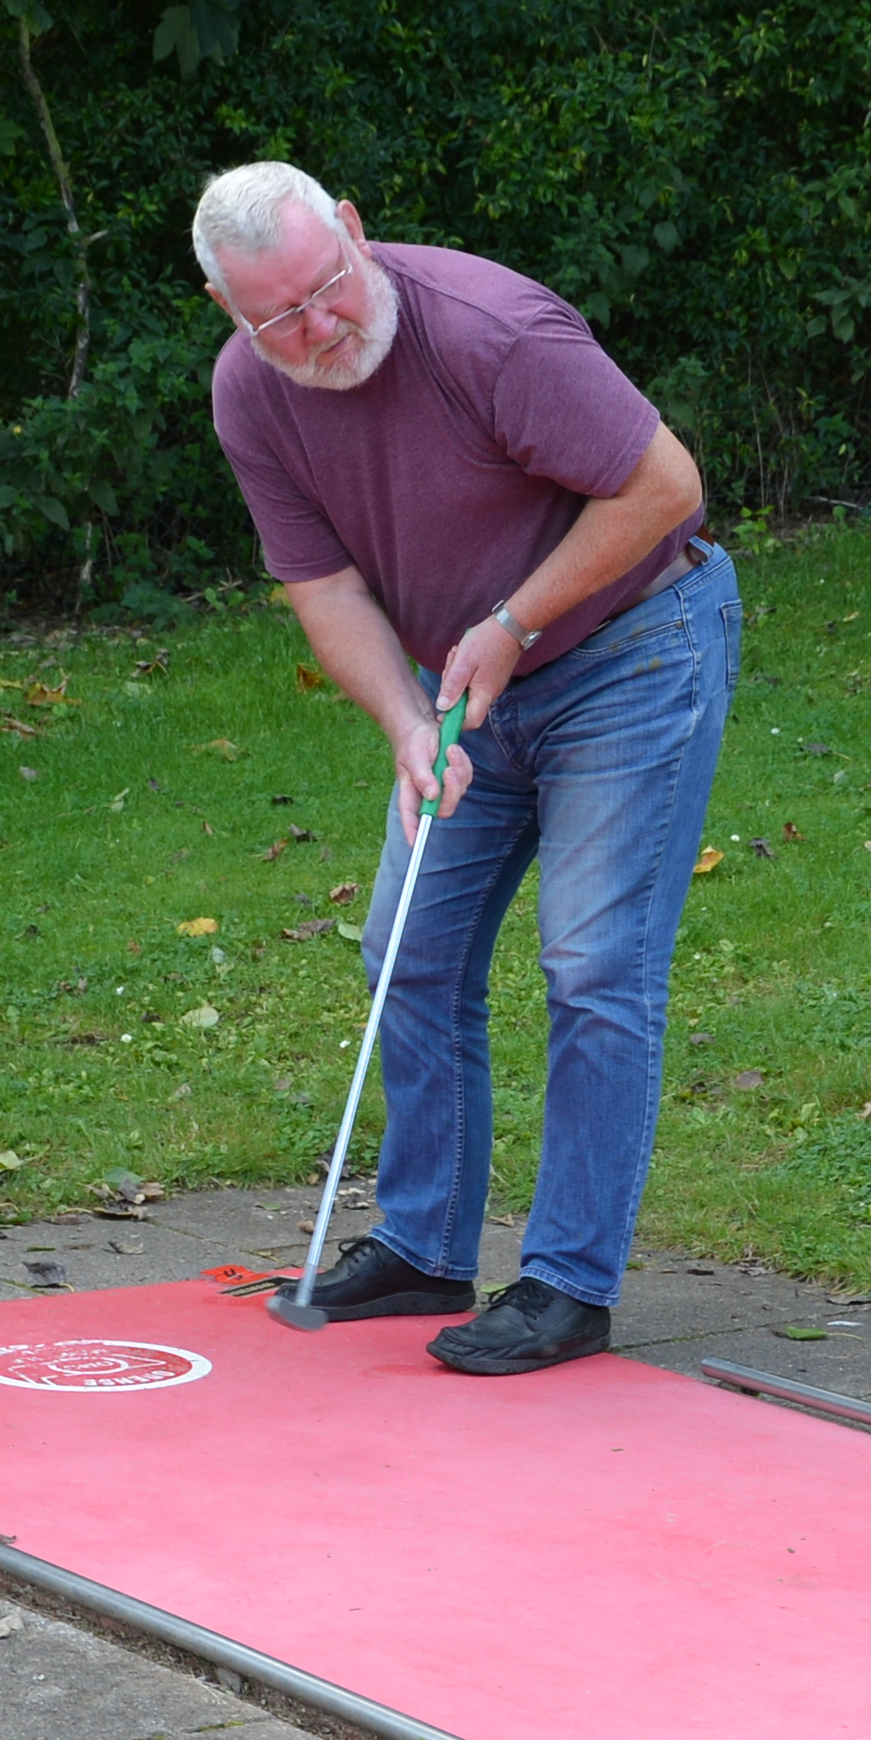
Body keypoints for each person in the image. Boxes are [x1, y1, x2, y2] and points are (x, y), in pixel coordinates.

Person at [194, 162, 737, 1376]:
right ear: (232, 311)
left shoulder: (490, 331)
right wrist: (403, 721)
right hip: (465, 686)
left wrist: (514, 621)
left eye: (327, 289)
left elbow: (667, 486)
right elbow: (324, 585)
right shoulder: (252, 394)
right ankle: (424, 1245)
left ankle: (567, 1283)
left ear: (353, 230)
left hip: (631, 646)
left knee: (592, 963)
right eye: (280, 318)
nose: (318, 328)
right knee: (411, 950)